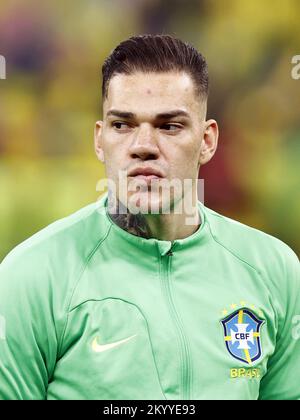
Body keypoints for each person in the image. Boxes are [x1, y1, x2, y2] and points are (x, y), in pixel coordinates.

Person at [0, 34, 299, 400]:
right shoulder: (32, 276)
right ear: (99, 140)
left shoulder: (274, 270)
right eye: (122, 125)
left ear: (207, 141)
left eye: (169, 126)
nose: (142, 146)